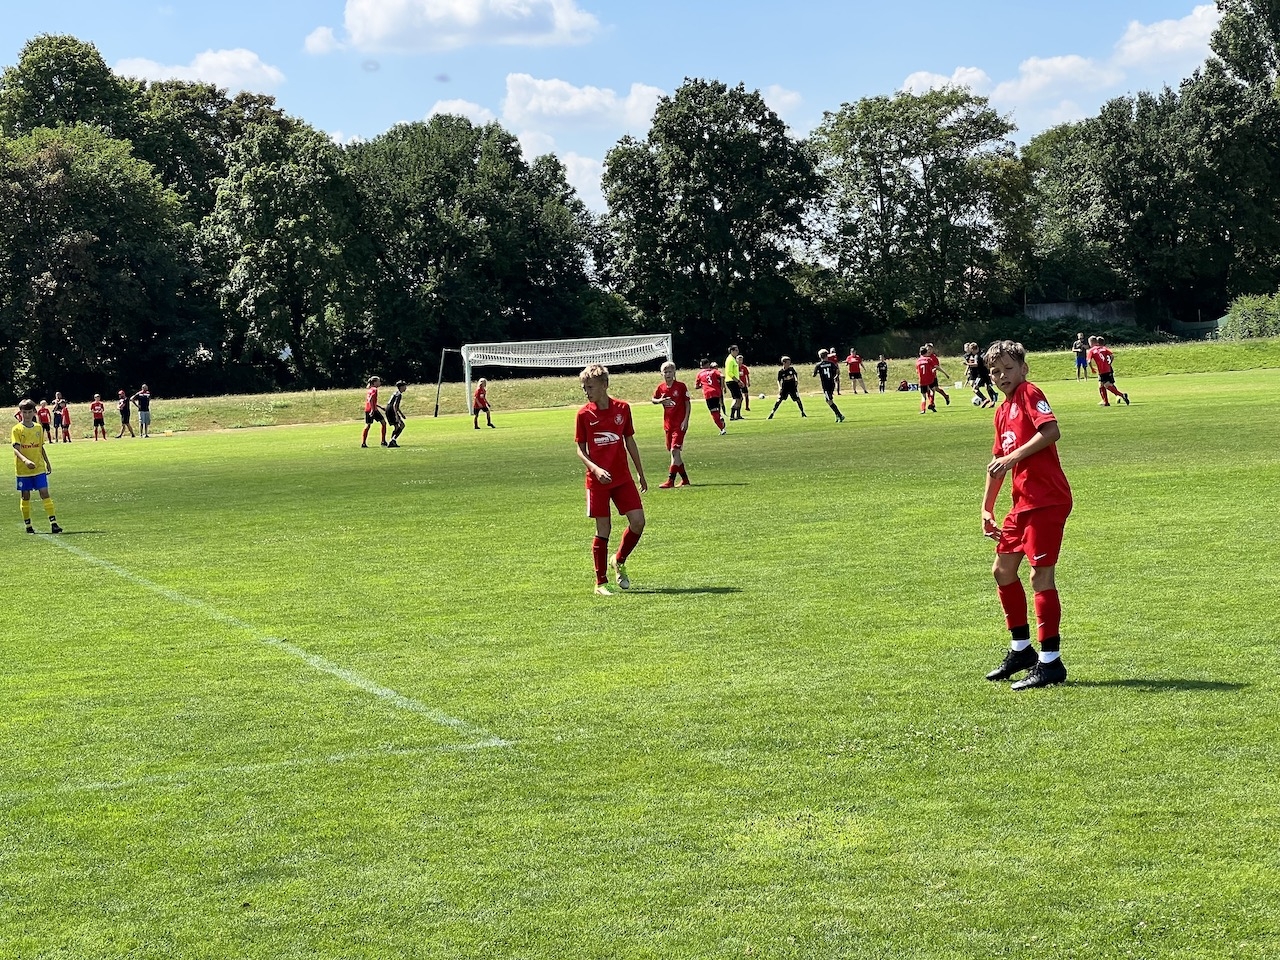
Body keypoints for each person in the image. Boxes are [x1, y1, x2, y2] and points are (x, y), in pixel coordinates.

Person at [981, 340, 1072, 690]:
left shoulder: (1029, 393)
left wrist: (1014, 456)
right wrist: (986, 507)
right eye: (995, 371)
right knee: (1002, 570)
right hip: (1021, 503)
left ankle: (1050, 662)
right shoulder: (1001, 411)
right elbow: (997, 462)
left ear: (1023, 368)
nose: (1002, 375)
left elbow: (1051, 431)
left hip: (1046, 500)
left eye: (1008, 368)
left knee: (1040, 576)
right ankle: (1021, 650)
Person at [575, 364, 647, 595]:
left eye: (590, 387)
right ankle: (601, 583)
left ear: (605, 385)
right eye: (584, 388)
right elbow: (580, 450)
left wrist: (640, 472)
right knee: (603, 528)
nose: (587, 392)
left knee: (638, 522)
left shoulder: (622, 409)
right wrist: (596, 469)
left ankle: (619, 559)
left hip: (622, 477)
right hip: (597, 482)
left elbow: (630, 441)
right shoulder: (584, 415)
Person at [12, 399, 62, 535]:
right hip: (23, 469)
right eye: (24, 412)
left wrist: (47, 462)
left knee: (44, 493)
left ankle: (53, 523)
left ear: (34, 412)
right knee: (25, 496)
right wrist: (25, 461)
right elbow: (16, 449)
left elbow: (41, 447)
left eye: (30, 412)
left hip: (39, 467)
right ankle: (28, 525)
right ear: (20, 413)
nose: (27, 415)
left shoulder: (38, 428)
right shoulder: (17, 429)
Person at [651, 361, 692, 488]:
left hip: (679, 425)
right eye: (665, 372)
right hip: (668, 425)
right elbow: (653, 399)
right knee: (674, 453)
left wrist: (685, 420)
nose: (668, 374)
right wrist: (660, 401)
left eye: (670, 371)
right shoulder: (661, 388)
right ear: (661, 373)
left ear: (674, 372)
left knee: (674, 451)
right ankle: (685, 479)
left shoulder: (681, 386)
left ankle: (670, 480)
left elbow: (687, 404)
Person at [1087, 336, 1130, 407]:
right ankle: (1106, 402)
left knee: (1106, 385)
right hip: (1108, 369)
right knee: (1101, 385)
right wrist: (1109, 363)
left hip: (1101, 370)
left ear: (1091, 343)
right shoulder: (1103, 348)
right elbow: (1112, 356)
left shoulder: (1091, 350)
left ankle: (1122, 395)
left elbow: (1089, 361)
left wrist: (1092, 368)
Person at [694, 359, 727, 434]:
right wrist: (722, 387)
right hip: (716, 392)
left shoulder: (700, 374)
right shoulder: (714, 371)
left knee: (713, 412)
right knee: (717, 408)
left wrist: (702, 385)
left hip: (708, 393)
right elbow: (722, 376)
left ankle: (722, 429)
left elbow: (696, 386)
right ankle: (720, 417)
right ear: (708, 364)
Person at [812, 349, 846, 422]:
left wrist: (817, 372)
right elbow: (837, 371)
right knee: (828, 400)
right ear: (827, 355)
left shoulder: (818, 365)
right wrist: (836, 376)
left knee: (829, 400)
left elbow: (813, 375)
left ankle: (839, 415)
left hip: (825, 385)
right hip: (832, 383)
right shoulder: (831, 363)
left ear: (820, 356)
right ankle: (837, 415)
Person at [963, 342, 998, 408]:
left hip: (981, 375)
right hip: (986, 373)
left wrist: (967, 364)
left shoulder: (977, 356)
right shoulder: (983, 354)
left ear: (973, 350)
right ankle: (992, 402)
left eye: (972, 351)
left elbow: (976, 364)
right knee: (988, 387)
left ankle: (985, 399)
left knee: (974, 389)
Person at [915, 346, 943, 414]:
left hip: (922, 380)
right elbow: (935, 367)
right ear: (926, 352)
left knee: (923, 396)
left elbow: (917, 371)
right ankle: (931, 403)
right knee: (932, 390)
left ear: (920, 353)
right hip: (930, 378)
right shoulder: (928, 359)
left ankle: (923, 410)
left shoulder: (918, 361)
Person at [361, 376, 386, 447]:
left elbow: (371, 401)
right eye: (378, 381)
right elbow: (371, 399)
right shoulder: (374, 389)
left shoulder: (369, 390)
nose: (380, 383)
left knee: (368, 425)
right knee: (383, 423)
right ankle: (383, 441)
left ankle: (363, 443)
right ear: (374, 382)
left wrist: (380, 407)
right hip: (373, 410)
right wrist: (372, 409)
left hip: (367, 409)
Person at [724, 345, 744, 421]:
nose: (737, 352)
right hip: (731, 381)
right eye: (736, 350)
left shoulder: (733, 359)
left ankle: (737, 415)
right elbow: (729, 372)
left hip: (734, 381)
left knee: (739, 398)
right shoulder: (730, 360)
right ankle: (732, 416)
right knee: (737, 398)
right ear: (732, 351)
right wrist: (738, 381)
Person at [385, 380, 408, 447]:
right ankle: (393, 440)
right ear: (401, 387)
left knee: (396, 427)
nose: (405, 388)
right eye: (404, 386)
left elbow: (395, 406)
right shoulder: (399, 394)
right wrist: (396, 416)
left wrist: (401, 414)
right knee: (402, 425)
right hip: (392, 410)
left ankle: (392, 441)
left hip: (388, 409)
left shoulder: (395, 393)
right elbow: (395, 405)